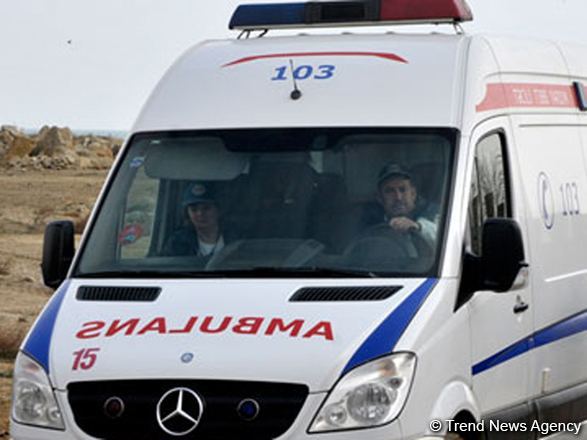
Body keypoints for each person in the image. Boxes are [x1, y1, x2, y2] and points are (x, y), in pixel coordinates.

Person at [163, 182, 234, 260]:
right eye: (194, 209)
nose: (200, 213)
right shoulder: (177, 243)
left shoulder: (236, 238)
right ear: (187, 214)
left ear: (218, 210)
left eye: (206, 208)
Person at [375, 162, 438, 248]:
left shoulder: (433, 213)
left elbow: (447, 239)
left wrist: (418, 227)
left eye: (402, 189)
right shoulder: (372, 223)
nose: (398, 197)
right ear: (380, 198)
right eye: (390, 191)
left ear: (413, 194)